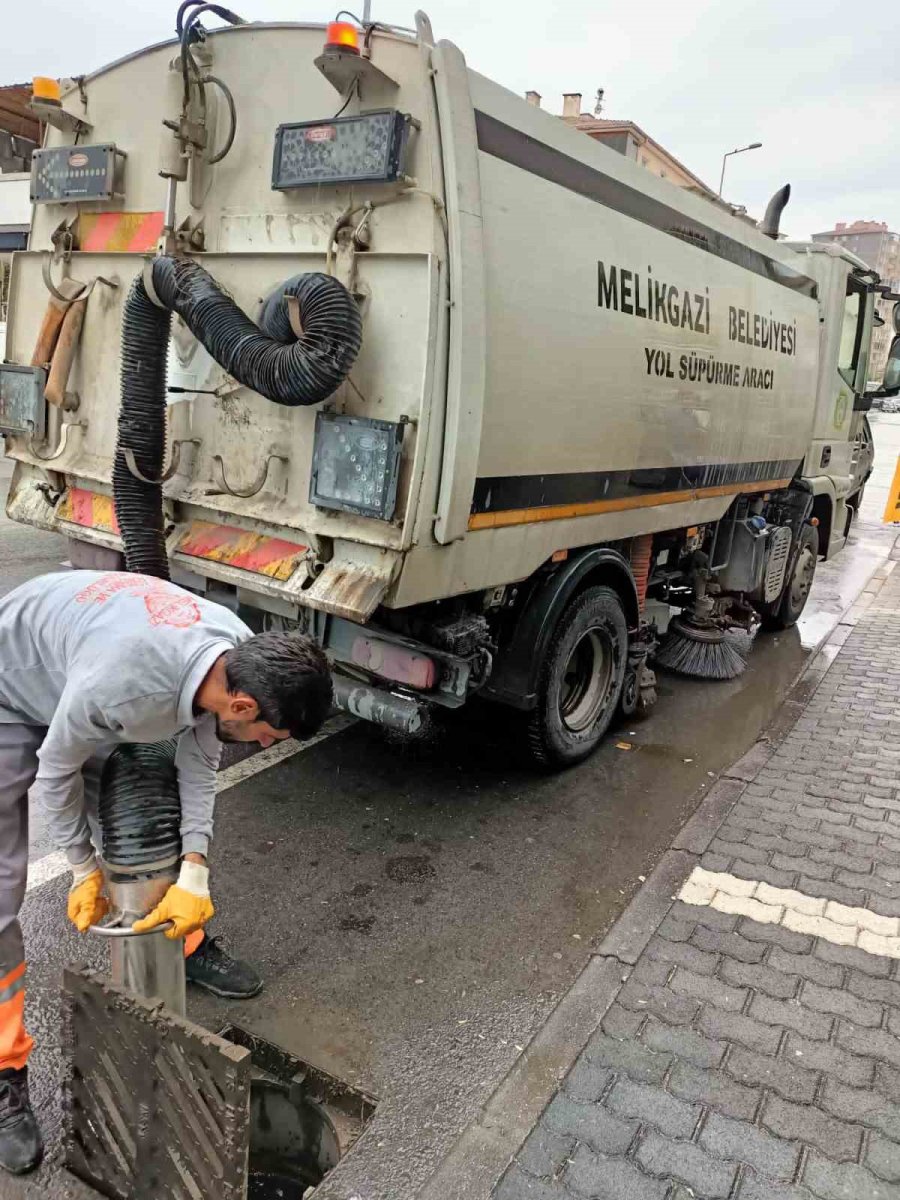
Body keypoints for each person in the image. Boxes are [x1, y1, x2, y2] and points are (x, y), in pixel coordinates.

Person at [0, 569, 332, 1176]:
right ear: (243, 703)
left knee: (141, 810)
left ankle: (181, 944)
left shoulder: (235, 652)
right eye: (267, 734)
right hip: (12, 681)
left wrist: (196, 874)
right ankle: (3, 1069)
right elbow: (55, 773)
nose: (262, 745)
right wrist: (80, 868)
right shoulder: (128, 692)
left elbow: (200, 767)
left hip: (87, 671)